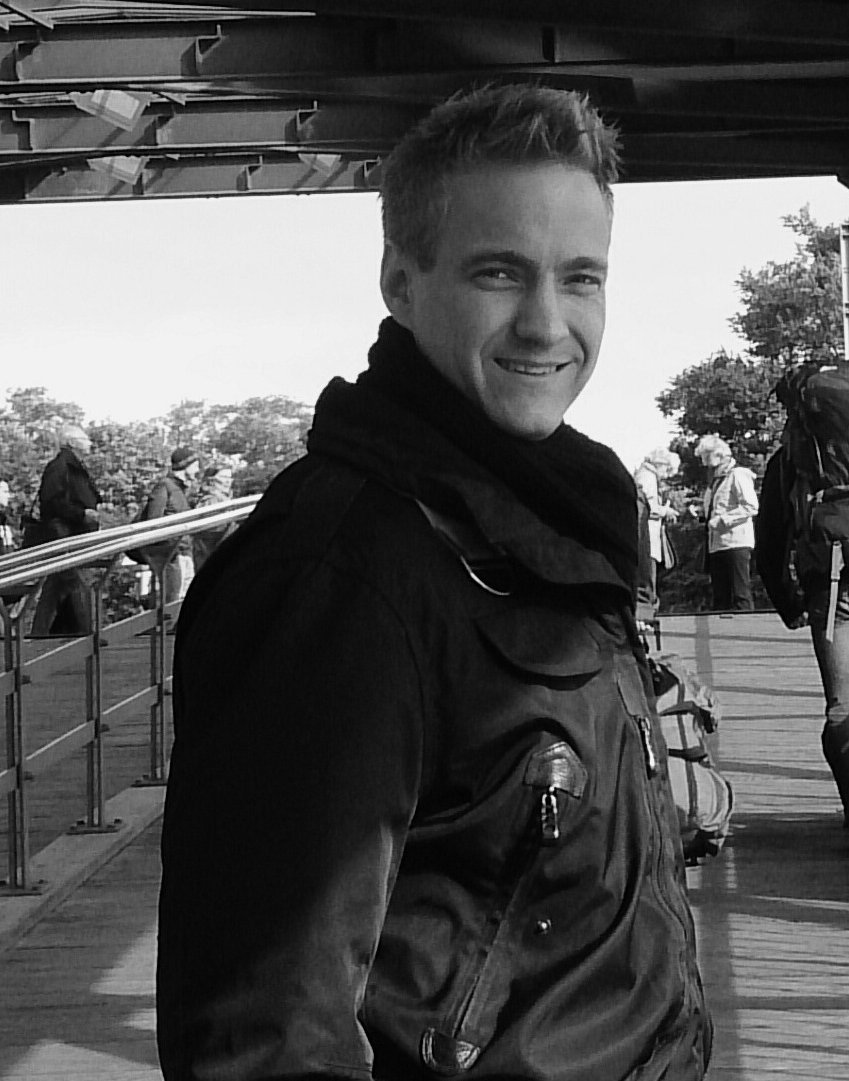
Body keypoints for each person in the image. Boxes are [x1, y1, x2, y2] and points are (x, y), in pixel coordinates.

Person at [157, 84, 711, 1081]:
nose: (546, 323)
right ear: (400, 282)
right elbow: (265, 1033)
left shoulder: (543, 517)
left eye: (580, 278)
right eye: (499, 272)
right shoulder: (338, 579)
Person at [756, 381, 849, 828]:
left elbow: (769, 543)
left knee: (843, 706)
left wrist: (788, 603)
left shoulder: (790, 462)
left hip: (830, 582)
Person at [29, 424, 101, 637]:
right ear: (72, 442)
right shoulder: (60, 467)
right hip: (64, 536)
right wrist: (82, 514)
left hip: (73, 535)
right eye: (85, 439)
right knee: (75, 581)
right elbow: (51, 502)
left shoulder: (74, 467)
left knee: (55, 586)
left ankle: (38, 633)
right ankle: (88, 632)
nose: (89, 443)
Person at [694, 433, 758, 611]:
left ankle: (746, 626)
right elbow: (717, 508)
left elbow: (751, 506)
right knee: (720, 598)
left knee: (740, 593)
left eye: (706, 457)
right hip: (716, 545)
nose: (704, 463)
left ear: (719, 455)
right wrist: (701, 513)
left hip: (736, 542)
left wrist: (722, 520)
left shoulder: (738, 475)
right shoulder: (715, 481)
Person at [143, 447, 200, 604]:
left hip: (184, 552)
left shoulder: (183, 490)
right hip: (171, 554)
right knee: (171, 602)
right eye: (195, 465)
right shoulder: (164, 486)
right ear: (185, 466)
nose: (198, 470)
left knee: (184, 603)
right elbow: (153, 521)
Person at [634, 446, 680, 608]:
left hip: (647, 538)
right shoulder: (647, 478)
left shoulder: (645, 475)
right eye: (667, 471)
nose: (666, 476)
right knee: (647, 582)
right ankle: (647, 611)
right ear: (661, 464)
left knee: (649, 580)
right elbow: (644, 506)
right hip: (646, 539)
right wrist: (664, 511)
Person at [191, 462, 235, 573]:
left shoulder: (225, 500)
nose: (228, 481)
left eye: (229, 478)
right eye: (224, 477)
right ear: (211, 480)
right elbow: (210, 530)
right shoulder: (211, 501)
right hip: (210, 555)